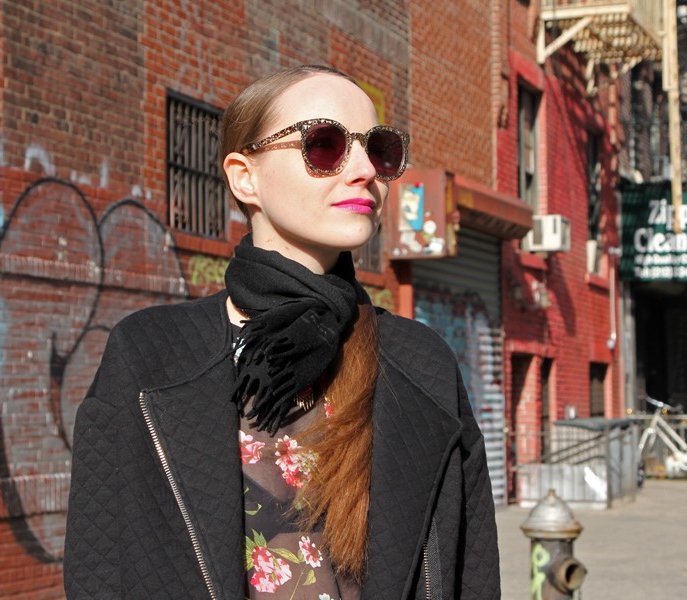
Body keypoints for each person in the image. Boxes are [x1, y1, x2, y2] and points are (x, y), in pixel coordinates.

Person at [64, 64, 500, 599]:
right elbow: (99, 570)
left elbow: (473, 575)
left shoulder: (419, 361)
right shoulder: (151, 355)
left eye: (378, 149)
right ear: (244, 177)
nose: (365, 169)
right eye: (325, 144)